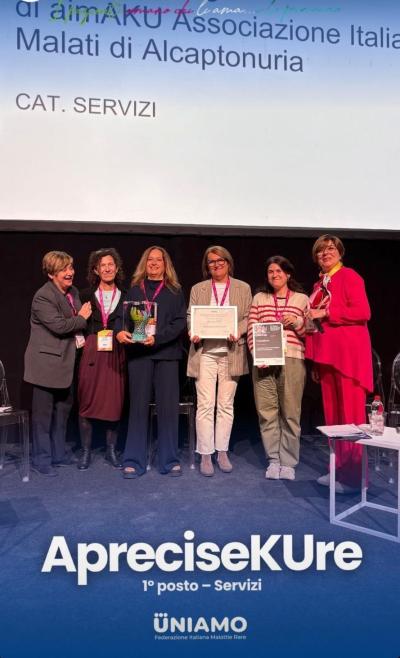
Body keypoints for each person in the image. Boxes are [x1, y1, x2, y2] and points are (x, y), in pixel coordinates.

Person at [305, 234, 373, 494]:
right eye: (320, 251)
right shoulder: (319, 284)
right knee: (334, 420)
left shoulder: (350, 276)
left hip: (348, 359)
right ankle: (338, 470)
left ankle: (355, 478)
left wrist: (327, 312)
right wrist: (315, 361)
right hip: (327, 359)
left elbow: (363, 312)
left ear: (340, 252)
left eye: (330, 248)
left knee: (351, 419)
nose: (325, 253)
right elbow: (315, 325)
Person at [116, 246, 186, 479]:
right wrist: (119, 332)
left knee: (168, 410)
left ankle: (169, 460)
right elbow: (121, 319)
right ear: (144, 264)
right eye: (150, 260)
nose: (154, 263)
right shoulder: (135, 289)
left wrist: (158, 339)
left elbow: (179, 324)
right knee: (137, 409)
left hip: (167, 355)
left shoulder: (175, 291)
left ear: (166, 265)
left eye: (159, 260)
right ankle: (133, 460)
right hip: (139, 356)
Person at [24, 251, 92, 476]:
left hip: (67, 362)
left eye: (71, 268)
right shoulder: (43, 296)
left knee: (62, 412)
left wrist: (78, 320)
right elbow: (60, 326)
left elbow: (73, 323)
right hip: (46, 364)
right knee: (43, 417)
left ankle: (58, 454)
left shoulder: (73, 292)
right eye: (64, 269)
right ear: (52, 273)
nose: (70, 273)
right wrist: (81, 318)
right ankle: (41, 460)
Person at [187, 246, 252, 477]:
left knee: (226, 405)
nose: (216, 264)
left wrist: (238, 329)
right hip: (204, 352)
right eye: (211, 261)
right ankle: (206, 453)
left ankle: (222, 451)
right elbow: (191, 315)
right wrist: (193, 330)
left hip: (231, 352)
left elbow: (248, 317)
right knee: (205, 405)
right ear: (207, 266)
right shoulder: (199, 288)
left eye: (220, 260)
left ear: (228, 262)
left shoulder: (243, 287)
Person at [247, 256, 308, 480]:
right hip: (264, 361)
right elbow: (251, 329)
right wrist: (257, 354)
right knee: (267, 412)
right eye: (271, 271)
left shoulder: (301, 299)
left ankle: (289, 463)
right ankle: (274, 460)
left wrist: (297, 322)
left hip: (292, 358)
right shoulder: (259, 298)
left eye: (279, 271)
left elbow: (310, 332)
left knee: (291, 413)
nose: (275, 275)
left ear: (288, 274)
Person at [77, 248, 126, 470]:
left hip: (116, 352)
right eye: (102, 265)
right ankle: (86, 451)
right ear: (96, 270)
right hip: (91, 352)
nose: (107, 269)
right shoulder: (84, 295)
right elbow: (76, 323)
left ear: (116, 268)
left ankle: (111, 450)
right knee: (86, 401)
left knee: (114, 402)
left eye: (110, 264)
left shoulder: (126, 296)